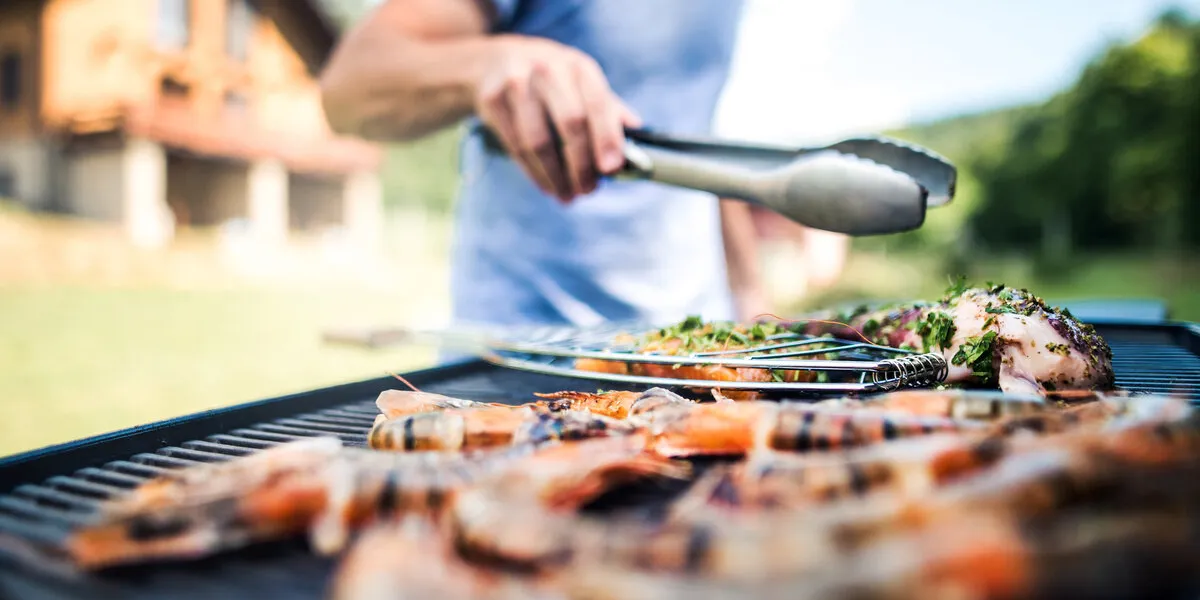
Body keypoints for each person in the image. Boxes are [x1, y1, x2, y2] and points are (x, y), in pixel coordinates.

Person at [319, 0, 767, 329]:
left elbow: (694, 131)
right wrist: (488, 62)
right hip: (521, 350)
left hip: (692, 339)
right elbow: (348, 87)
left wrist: (749, 294)